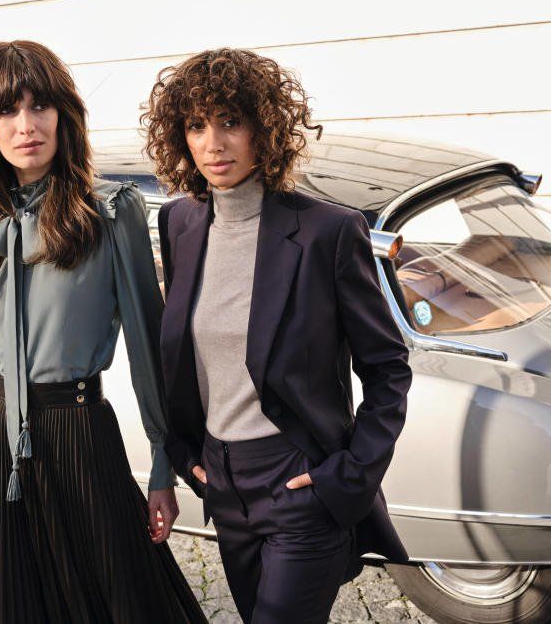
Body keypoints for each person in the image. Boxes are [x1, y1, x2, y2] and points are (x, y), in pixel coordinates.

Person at [143, 48, 413, 624]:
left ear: (264, 129)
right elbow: (186, 355)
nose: (214, 144)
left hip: (297, 481)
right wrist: (187, 455)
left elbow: (388, 369)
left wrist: (346, 475)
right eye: (196, 125)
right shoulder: (180, 222)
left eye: (230, 121)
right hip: (223, 484)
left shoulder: (327, 233)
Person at [0, 40, 206, 623]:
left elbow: (149, 348)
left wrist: (163, 466)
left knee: (117, 600)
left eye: (39, 106)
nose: (26, 126)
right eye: (7, 110)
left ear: (63, 114)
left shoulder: (109, 210)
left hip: (77, 430)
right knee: (6, 603)